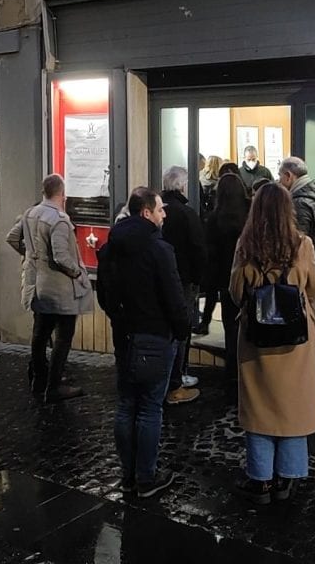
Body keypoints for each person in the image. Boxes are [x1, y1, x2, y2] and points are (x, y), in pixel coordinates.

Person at [229, 183, 315, 504]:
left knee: (260, 407)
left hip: (257, 340)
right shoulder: (302, 244)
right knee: (293, 406)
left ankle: (261, 480)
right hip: (295, 342)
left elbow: (236, 292)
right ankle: (287, 478)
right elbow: (312, 286)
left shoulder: (246, 246)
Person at [98, 188, 191, 498]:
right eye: (161, 209)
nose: (165, 214)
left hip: (125, 336)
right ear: (146, 212)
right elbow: (174, 298)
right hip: (155, 337)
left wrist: (119, 318)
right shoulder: (158, 250)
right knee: (150, 408)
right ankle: (146, 478)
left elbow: (104, 295)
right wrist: (181, 330)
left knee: (126, 405)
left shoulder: (111, 247)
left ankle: (128, 476)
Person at [6, 174, 92, 403]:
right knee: (63, 338)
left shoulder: (30, 213)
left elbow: (12, 238)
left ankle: (39, 380)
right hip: (59, 289)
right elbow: (61, 256)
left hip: (38, 285)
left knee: (40, 334)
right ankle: (54, 386)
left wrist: (31, 256)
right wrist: (77, 273)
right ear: (62, 194)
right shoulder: (59, 220)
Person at [278, 156, 315, 397]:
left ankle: (312, 384)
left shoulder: (300, 202)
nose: (280, 182)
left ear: (289, 176)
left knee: (309, 326)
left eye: (280, 177)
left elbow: (297, 244)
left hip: (307, 274)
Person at [160, 166, 204, 403]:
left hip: (160, 279)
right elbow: (198, 248)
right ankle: (176, 380)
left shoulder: (157, 210)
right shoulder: (186, 214)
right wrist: (198, 279)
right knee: (180, 329)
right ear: (181, 186)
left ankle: (166, 379)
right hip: (183, 280)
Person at [202, 173, 249, 380]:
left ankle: (232, 377)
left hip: (225, 280)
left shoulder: (214, 219)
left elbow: (211, 255)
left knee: (231, 330)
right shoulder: (250, 213)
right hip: (249, 278)